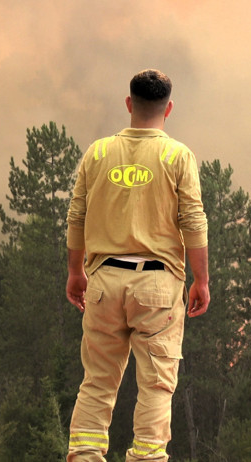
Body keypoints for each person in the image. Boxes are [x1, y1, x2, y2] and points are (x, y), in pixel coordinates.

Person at [65, 69, 210, 462]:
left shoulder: (97, 153)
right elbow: (193, 220)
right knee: (156, 387)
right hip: (158, 287)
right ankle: (146, 457)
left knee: (96, 382)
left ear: (129, 104)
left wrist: (75, 271)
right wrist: (201, 280)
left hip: (103, 281)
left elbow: (76, 216)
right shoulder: (177, 156)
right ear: (169, 109)